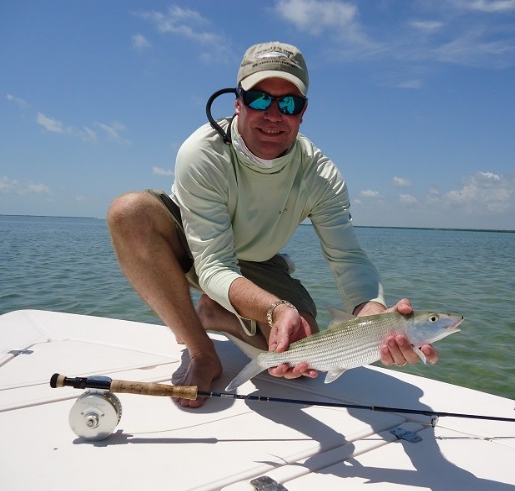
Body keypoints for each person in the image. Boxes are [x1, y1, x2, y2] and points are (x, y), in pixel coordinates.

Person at [107, 42, 438, 408]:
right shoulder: (201, 153)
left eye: (289, 104)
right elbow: (213, 265)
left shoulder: (320, 174)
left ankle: (221, 314)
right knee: (129, 213)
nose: (274, 114)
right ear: (238, 102)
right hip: (191, 249)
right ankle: (202, 351)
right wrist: (275, 309)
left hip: (259, 264)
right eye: (260, 99)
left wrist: (375, 318)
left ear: (303, 112)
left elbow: (347, 257)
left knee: (298, 352)